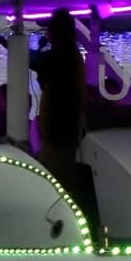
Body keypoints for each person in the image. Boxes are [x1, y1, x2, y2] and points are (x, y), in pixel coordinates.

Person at [32, 16, 86, 178]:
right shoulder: (73, 55)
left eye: (49, 29)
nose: (47, 33)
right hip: (70, 125)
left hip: (58, 128)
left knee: (49, 175)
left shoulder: (60, 56)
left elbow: (37, 61)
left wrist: (11, 46)